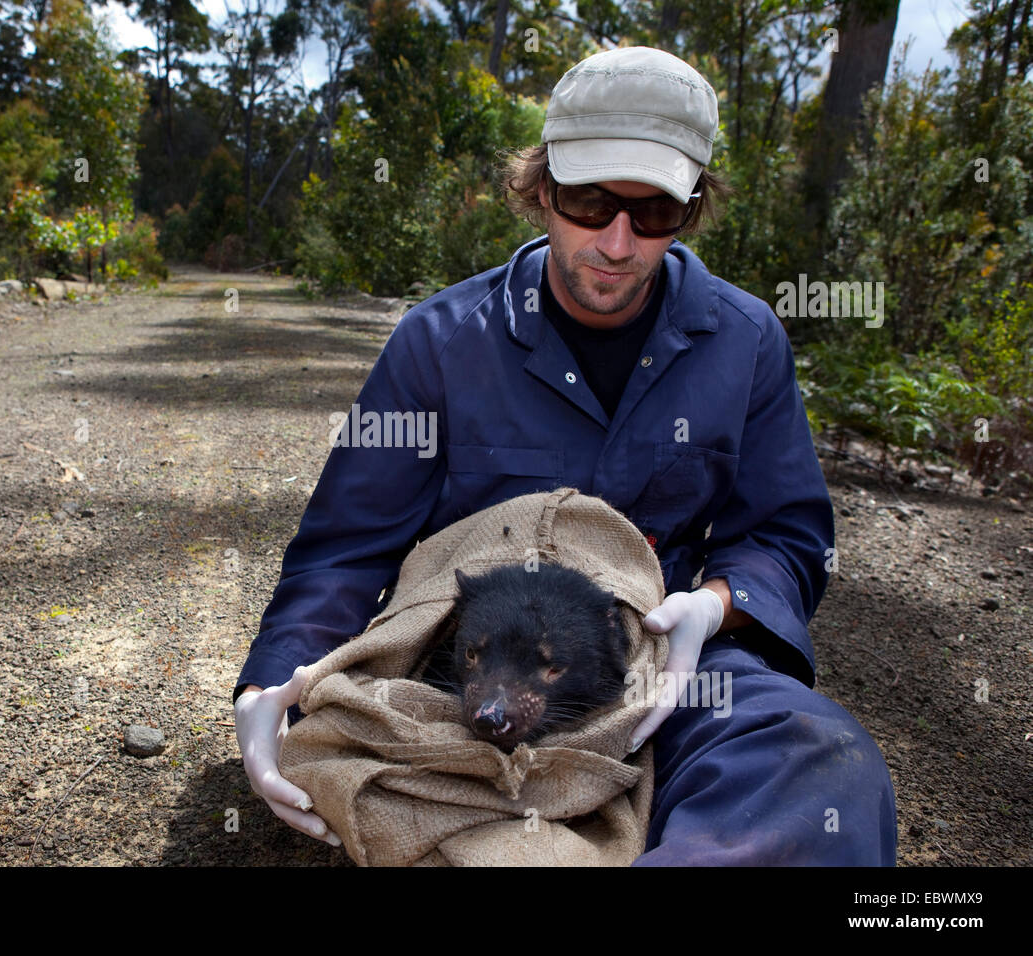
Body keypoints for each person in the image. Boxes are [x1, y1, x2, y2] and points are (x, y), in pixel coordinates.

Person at [233, 46, 897, 864]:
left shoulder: (747, 340)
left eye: (653, 211)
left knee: (819, 765)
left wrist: (714, 608)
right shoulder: (436, 343)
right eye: (588, 201)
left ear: (691, 208)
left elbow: (789, 537)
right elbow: (344, 549)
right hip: (462, 677)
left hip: (664, 676)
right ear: (541, 189)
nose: (617, 243)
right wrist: (272, 686)